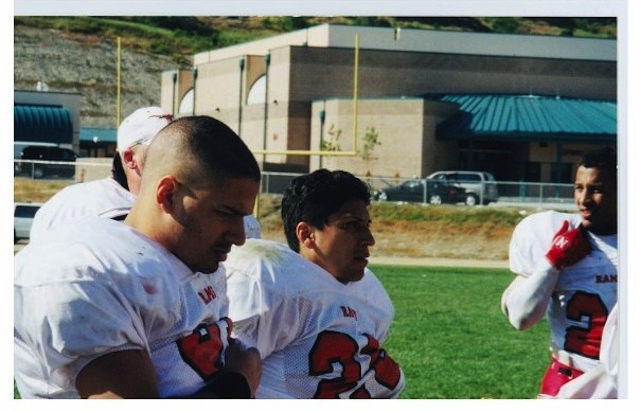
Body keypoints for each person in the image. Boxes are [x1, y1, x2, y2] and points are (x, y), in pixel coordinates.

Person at [14, 115, 263, 399]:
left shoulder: (196, 253)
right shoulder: (86, 270)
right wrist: (239, 382)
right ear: (169, 195)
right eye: (227, 214)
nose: (240, 236)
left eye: (243, 217)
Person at [225, 169, 405, 398]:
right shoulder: (271, 279)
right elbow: (228, 375)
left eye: (366, 225)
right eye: (350, 225)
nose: (369, 239)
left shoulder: (372, 293)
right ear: (307, 234)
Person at [501, 146, 618, 399]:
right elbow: (520, 319)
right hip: (570, 381)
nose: (584, 199)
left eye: (597, 189)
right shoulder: (551, 232)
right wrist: (552, 261)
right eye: (579, 187)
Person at [30, 106, 174, 241]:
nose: (176, 157)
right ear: (130, 158)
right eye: (163, 148)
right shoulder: (71, 205)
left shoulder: (177, 204)